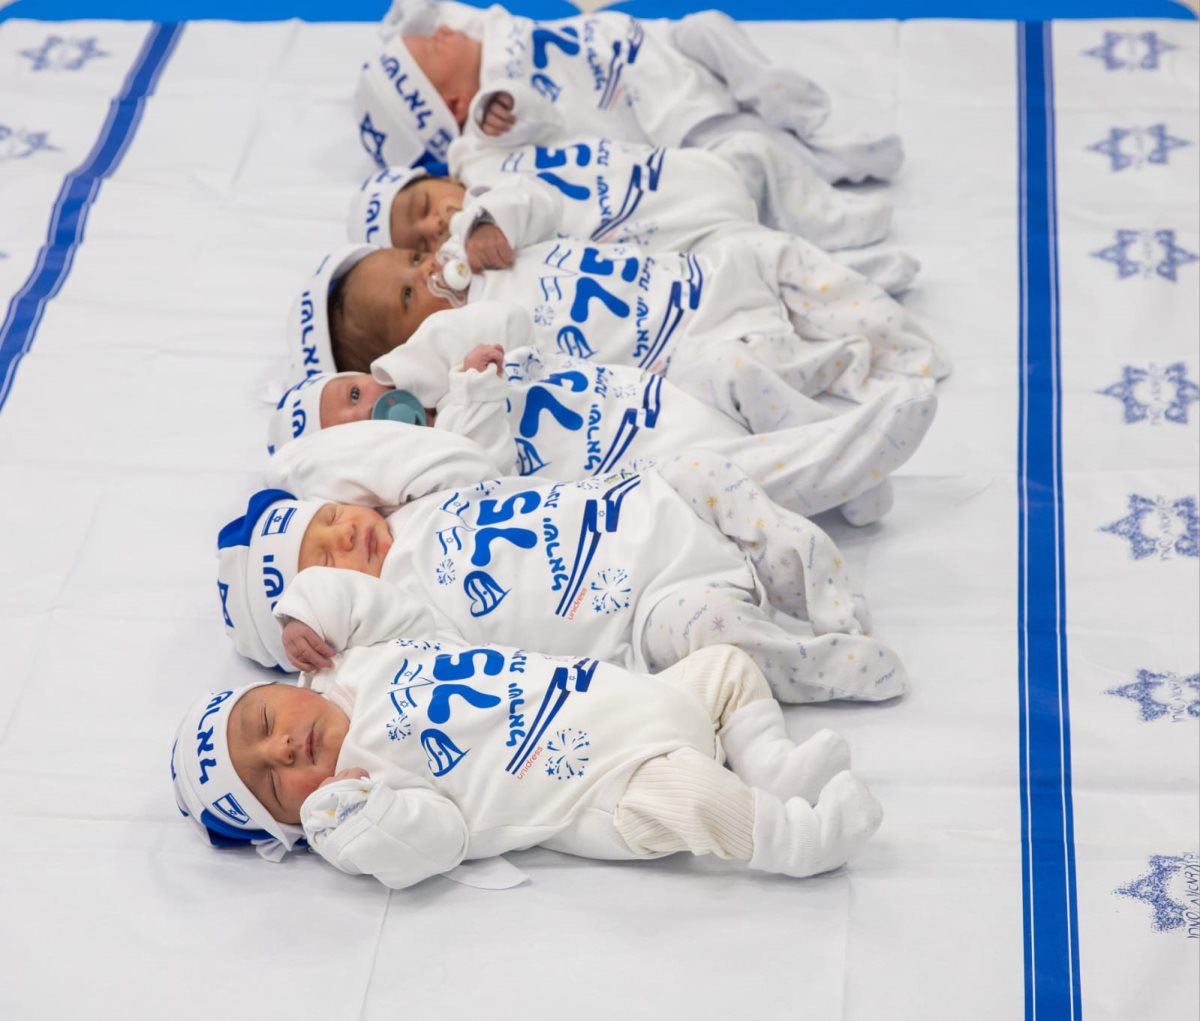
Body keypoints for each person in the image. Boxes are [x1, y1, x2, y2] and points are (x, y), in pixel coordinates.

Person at [171, 640, 883, 887]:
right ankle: (800, 839)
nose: (281, 749)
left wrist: (313, 613)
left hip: (629, 700)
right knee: (695, 795)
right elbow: (436, 840)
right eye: (272, 783)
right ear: (295, 825)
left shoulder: (362, 665)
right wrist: (352, 820)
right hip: (604, 785)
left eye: (264, 723)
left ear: (288, 687)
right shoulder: (369, 797)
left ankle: (769, 765)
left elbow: (389, 602)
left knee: (726, 667)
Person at [220, 453, 910, 703]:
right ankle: (823, 666)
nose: (346, 534)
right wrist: (303, 615)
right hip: (647, 613)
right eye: (328, 560)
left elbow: (453, 451)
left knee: (712, 472)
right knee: (720, 637)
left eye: (332, 516)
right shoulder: (402, 617)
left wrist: (476, 382)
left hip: (650, 504)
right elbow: (379, 663)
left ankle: (822, 589)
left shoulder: (419, 500)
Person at [270, 302, 938, 526]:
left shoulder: (446, 369)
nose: (372, 401)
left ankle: (842, 464)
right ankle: (853, 456)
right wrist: (472, 397)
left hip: (661, 400)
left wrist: (424, 366)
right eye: (356, 416)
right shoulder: (431, 479)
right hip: (651, 464)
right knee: (727, 475)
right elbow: (485, 483)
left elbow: (514, 321)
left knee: (723, 363)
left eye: (358, 389)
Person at [354, 2, 902, 253]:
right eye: (433, 45)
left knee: (709, 26)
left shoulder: (486, 27)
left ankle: (808, 120)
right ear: (454, 104)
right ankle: (820, 183)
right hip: (669, 113)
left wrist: (407, 25)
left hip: (660, 44)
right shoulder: (493, 125)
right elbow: (550, 135)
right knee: (746, 153)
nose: (443, 31)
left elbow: (421, 12)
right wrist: (497, 114)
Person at [287, 228, 949, 434]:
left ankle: (899, 339)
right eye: (409, 294)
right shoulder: (474, 356)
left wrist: (488, 224)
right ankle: (846, 406)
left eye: (412, 258)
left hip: (695, 279)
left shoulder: (488, 253)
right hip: (687, 343)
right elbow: (557, 371)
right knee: (760, 371)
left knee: (762, 248)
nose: (429, 269)